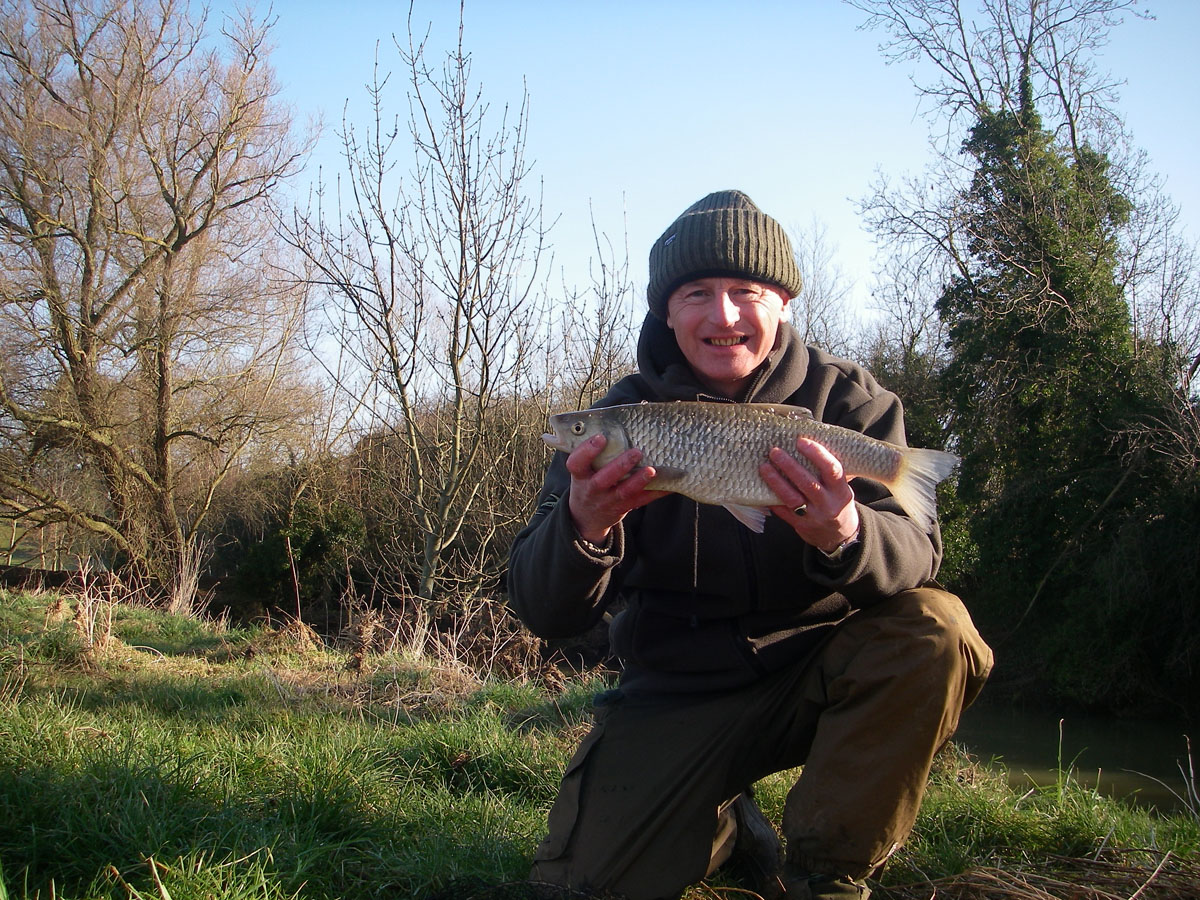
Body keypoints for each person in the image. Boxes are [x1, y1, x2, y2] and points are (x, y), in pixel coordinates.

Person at [507, 190, 993, 900]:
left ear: (784, 303)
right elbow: (543, 610)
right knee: (587, 887)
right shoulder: (617, 419)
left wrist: (844, 533)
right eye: (697, 292)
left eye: (747, 291)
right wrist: (585, 527)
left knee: (938, 628)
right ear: (666, 311)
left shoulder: (850, 402)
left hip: (818, 670)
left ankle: (827, 870)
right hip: (679, 689)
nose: (723, 315)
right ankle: (725, 822)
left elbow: (918, 556)